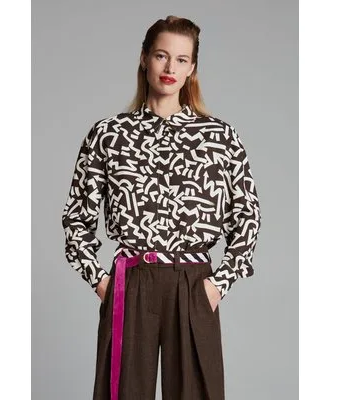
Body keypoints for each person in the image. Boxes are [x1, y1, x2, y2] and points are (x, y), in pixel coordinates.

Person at [61, 15, 262, 400]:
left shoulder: (219, 137)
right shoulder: (108, 134)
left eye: (182, 59)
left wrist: (219, 284)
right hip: (131, 280)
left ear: (192, 68)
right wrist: (101, 281)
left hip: (193, 283)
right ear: (144, 58)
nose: (170, 67)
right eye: (161, 55)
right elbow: (77, 217)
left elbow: (247, 216)